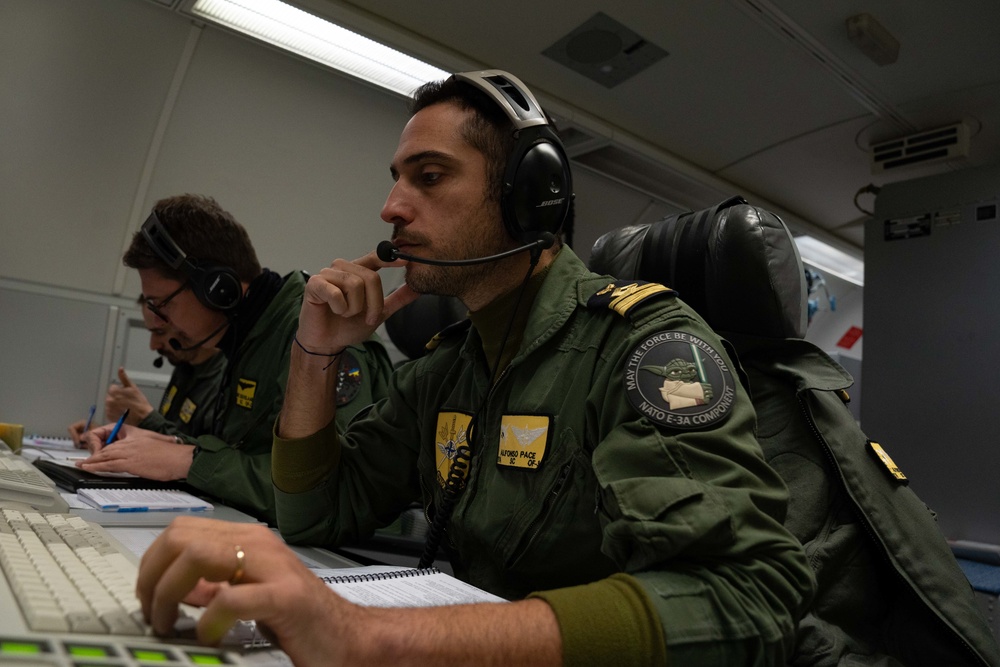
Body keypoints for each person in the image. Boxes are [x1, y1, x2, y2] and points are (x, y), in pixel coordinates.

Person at [136, 72, 814, 665]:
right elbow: (313, 514)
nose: (392, 207)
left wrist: (374, 638)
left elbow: (746, 597)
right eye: (397, 179)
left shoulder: (644, 345)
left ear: (530, 196)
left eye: (429, 177)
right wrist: (315, 353)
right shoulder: (451, 368)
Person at [81, 194, 394, 524]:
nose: (162, 323)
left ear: (217, 288)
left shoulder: (318, 338)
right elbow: (242, 454)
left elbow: (327, 494)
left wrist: (188, 460)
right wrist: (162, 442)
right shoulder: (247, 340)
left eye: (162, 305)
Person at [68, 297, 225, 445]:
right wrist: (113, 435)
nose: (153, 345)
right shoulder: (184, 367)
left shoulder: (224, 381)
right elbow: (172, 438)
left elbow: (198, 456)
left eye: (160, 332)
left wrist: (145, 417)